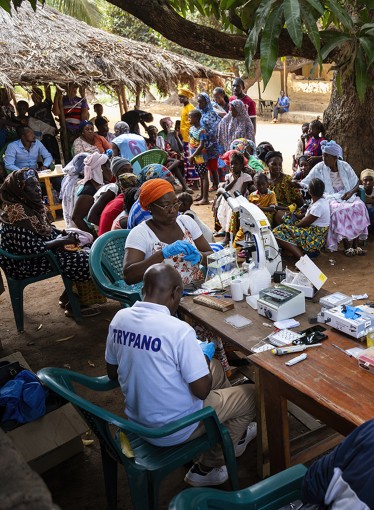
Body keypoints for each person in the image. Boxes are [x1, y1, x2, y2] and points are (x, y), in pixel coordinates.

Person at [106, 263, 258, 486]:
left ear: (143, 289)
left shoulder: (119, 318)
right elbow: (202, 390)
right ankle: (208, 467)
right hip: (173, 428)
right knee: (253, 393)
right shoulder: (178, 330)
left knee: (216, 367)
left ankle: (230, 430)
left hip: (138, 419)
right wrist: (202, 358)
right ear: (176, 292)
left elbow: (112, 372)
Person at [0, 169, 94, 318]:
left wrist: (63, 235)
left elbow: (46, 231)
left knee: (87, 249)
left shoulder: (30, 206)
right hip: (23, 263)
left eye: (38, 185)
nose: (37, 189)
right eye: (31, 186)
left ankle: (68, 296)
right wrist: (61, 241)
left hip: (39, 253)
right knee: (83, 260)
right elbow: (30, 248)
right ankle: (75, 304)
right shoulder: (17, 214)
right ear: (20, 190)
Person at [123, 179, 213, 286]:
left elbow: (212, 257)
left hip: (196, 289)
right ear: (150, 207)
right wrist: (163, 253)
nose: (173, 210)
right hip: (163, 296)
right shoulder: (141, 233)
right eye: (166, 205)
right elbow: (129, 276)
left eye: (175, 203)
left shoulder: (186, 222)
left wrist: (200, 256)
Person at [302, 140, 370, 254]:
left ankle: (356, 245)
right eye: (323, 155)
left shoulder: (345, 166)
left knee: (359, 206)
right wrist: (297, 184)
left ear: (334, 157)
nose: (324, 158)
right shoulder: (319, 167)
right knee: (339, 210)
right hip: (329, 197)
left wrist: (350, 193)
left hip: (346, 195)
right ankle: (347, 246)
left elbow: (356, 182)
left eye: (326, 156)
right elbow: (307, 182)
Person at [273, 178, 330, 259]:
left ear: (310, 191)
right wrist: (297, 216)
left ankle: (302, 258)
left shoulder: (319, 206)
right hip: (309, 230)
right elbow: (309, 215)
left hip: (313, 238)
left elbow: (303, 224)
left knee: (277, 232)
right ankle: (288, 245)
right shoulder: (319, 200)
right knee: (280, 214)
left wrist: (290, 226)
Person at [188, 100, 220, 206]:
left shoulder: (202, 130)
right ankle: (202, 195)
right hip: (195, 157)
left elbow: (201, 145)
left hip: (200, 156)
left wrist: (192, 155)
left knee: (204, 176)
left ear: (197, 118)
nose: (188, 119)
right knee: (201, 176)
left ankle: (205, 198)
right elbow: (191, 142)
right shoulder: (192, 129)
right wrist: (191, 155)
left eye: (190, 117)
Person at [265, 150, 304, 225]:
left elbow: (300, 202)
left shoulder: (287, 180)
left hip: (284, 210)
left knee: (278, 215)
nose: (278, 167)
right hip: (267, 208)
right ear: (267, 164)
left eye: (280, 164)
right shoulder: (263, 178)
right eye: (274, 164)